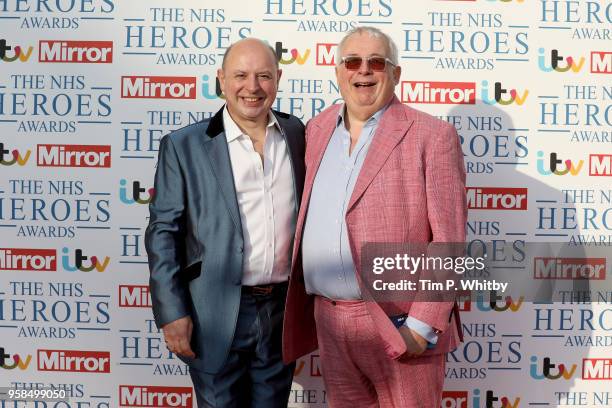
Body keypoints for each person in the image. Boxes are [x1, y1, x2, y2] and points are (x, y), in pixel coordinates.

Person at [282, 27, 467, 407]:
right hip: (331, 321)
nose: (363, 71)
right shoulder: (316, 130)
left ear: (396, 74)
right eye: (352, 62)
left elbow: (449, 240)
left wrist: (421, 325)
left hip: (399, 322)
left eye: (376, 63)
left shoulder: (432, 135)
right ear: (338, 72)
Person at [145, 38, 305, 408]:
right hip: (212, 315)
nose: (252, 87)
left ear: (278, 78)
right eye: (241, 75)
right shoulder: (184, 145)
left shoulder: (298, 135)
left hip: (281, 312)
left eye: (264, 76)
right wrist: (172, 312)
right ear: (220, 79)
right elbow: (163, 234)